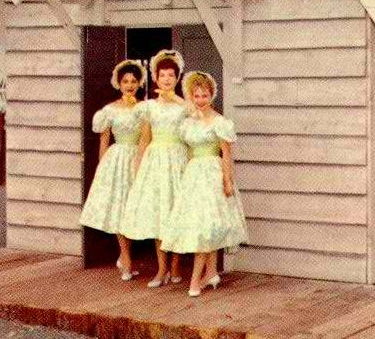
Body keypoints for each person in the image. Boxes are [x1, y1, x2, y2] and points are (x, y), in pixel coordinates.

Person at [161, 70, 248, 297]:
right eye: (197, 96)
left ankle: (195, 280)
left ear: (212, 95)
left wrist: (227, 180)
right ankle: (211, 273)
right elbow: (188, 153)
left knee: (208, 226)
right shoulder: (188, 123)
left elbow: (227, 154)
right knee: (200, 225)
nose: (201, 100)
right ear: (192, 96)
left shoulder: (220, 122)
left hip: (212, 174)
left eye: (205, 95)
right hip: (194, 176)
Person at [119, 48, 188, 287]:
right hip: (156, 160)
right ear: (156, 78)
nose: (167, 79)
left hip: (177, 159)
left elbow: (191, 135)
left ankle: (176, 266)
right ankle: (161, 269)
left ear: (177, 78)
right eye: (163, 75)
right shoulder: (148, 107)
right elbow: (144, 139)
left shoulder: (184, 106)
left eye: (171, 75)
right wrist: (138, 167)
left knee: (176, 213)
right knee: (159, 213)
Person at [79, 58, 146, 280]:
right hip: (117, 160)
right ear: (118, 83)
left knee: (134, 208)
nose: (129, 85)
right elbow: (104, 142)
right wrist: (102, 169)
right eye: (125, 81)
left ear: (139, 83)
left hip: (139, 157)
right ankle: (125, 257)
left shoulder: (144, 109)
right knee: (119, 208)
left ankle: (125, 256)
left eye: (133, 81)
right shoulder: (109, 111)